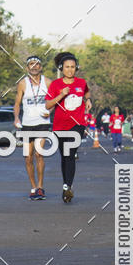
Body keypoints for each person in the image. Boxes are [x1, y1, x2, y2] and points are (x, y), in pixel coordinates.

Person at [45, 52, 91, 203]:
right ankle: (66, 185)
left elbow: (86, 91)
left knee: (70, 154)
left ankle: (68, 186)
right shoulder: (55, 85)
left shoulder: (81, 83)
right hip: (59, 126)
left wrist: (88, 100)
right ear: (61, 68)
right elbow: (48, 105)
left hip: (77, 124)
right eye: (67, 67)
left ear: (76, 68)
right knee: (64, 156)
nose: (70, 70)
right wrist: (61, 95)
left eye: (72, 67)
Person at [13, 56, 51, 199]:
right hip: (27, 124)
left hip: (42, 123)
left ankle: (41, 187)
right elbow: (17, 103)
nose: (34, 67)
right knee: (28, 157)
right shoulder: (22, 84)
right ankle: (33, 187)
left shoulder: (47, 82)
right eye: (31, 64)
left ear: (41, 66)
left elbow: (53, 101)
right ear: (27, 67)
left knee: (39, 154)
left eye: (37, 64)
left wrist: (50, 111)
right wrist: (16, 117)